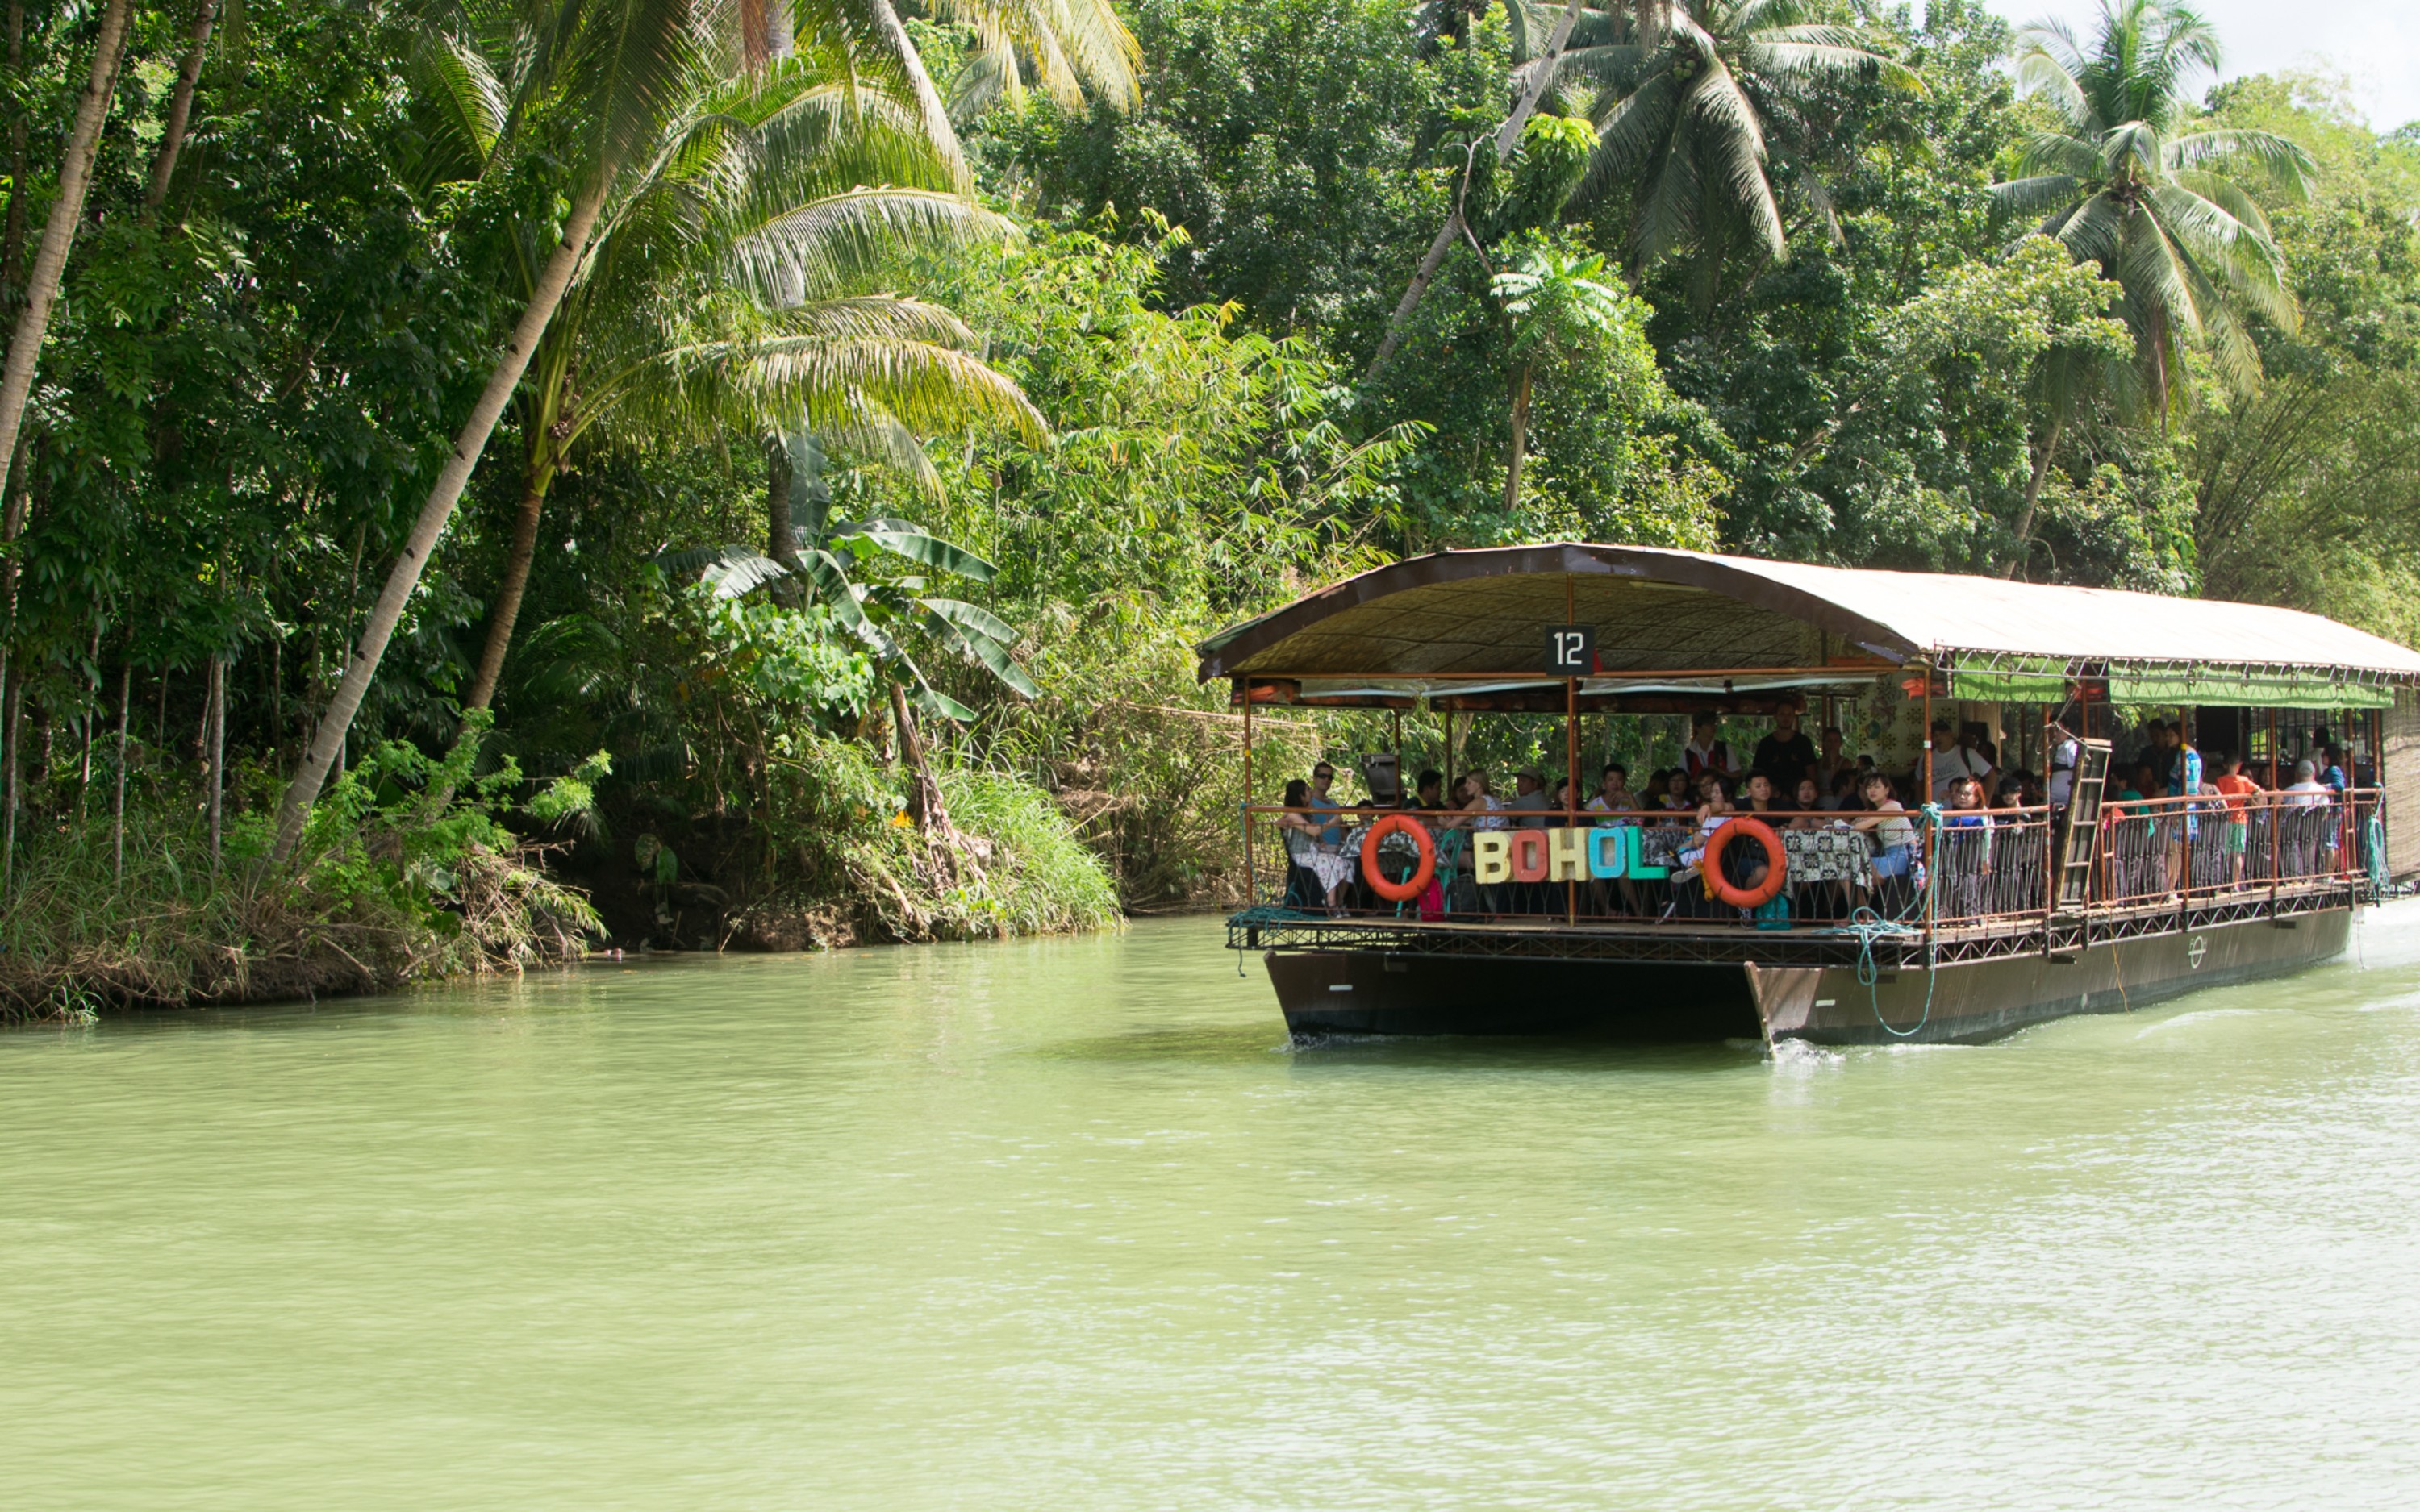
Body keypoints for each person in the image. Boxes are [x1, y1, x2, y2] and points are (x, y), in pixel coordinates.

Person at [1276, 777, 1352, 913]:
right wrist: (1334, 821)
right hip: (1301, 854)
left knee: (1347, 861)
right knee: (1335, 862)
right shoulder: (1293, 814)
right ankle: (1331, 903)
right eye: (1308, 790)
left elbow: (1315, 834)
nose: (1311, 792)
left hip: (1312, 850)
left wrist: (1320, 842)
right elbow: (1313, 830)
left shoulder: (1305, 813)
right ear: (1300, 796)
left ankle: (1338, 901)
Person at [1850, 770, 1919, 908]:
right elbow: (1854, 824)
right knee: (1852, 869)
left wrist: (1861, 820)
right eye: (1869, 787)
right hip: (1889, 854)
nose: (1872, 791)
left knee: (1854, 870)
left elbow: (1859, 826)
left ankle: (1860, 914)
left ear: (1887, 790)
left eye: (1877, 787)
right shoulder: (1874, 810)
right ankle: (1863, 914)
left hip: (1901, 856)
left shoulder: (1893, 806)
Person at [2213, 752, 2260, 886]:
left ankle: (2224, 882)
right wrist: (2248, 795)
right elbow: (2257, 790)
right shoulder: (2244, 781)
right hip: (2240, 819)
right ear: (2239, 766)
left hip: (2226, 820)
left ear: (2224, 765)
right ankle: (2235, 884)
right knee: (2237, 853)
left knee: (2225, 853)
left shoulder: (2220, 781)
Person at [1752, 701, 1817, 792]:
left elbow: (1811, 774)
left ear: (1794, 716)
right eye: (1782, 714)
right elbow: (1757, 775)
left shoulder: (1803, 742)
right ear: (1775, 716)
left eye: (1789, 714)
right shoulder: (1766, 744)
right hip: (1772, 796)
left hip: (1798, 797)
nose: (1786, 718)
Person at [1927, 717, 1993, 806]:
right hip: (1935, 814)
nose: (1938, 738)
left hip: (1962, 814)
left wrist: (1985, 803)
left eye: (1942, 734)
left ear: (1951, 734)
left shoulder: (1967, 753)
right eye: (1935, 735)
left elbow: (1992, 775)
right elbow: (1919, 780)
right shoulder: (1926, 757)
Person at [1682, 714, 1737, 785]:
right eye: (1708, 724)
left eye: (1714, 724)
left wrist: (1720, 772)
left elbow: (1737, 774)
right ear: (1697, 727)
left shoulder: (1724, 748)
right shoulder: (1688, 753)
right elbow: (1682, 780)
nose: (1713, 727)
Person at [1306, 761, 1347, 847]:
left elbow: (1342, 829)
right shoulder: (1308, 802)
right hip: (1320, 850)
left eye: (1330, 777)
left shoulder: (1334, 803)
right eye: (1322, 776)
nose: (1326, 780)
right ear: (1314, 778)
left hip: (1338, 849)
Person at [1812, 724, 1852, 792]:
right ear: (1824, 743)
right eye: (1829, 740)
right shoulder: (1818, 762)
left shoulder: (1846, 763)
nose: (1832, 744)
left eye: (1836, 741)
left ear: (1840, 743)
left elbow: (1836, 786)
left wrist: (1833, 763)